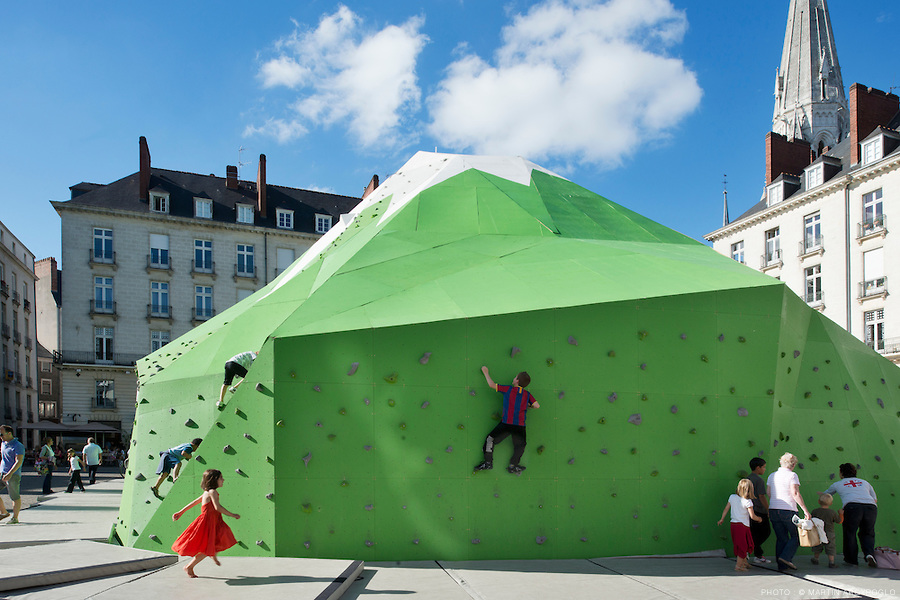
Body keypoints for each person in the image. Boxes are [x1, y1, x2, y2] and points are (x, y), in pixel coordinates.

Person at [172, 468, 240, 578]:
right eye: (221, 478)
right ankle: (190, 566)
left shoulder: (207, 492)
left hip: (214, 521)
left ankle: (212, 553)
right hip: (208, 522)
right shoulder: (212, 492)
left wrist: (181, 512)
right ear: (215, 480)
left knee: (221, 537)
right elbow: (217, 507)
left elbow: (194, 502)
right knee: (208, 546)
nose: (223, 480)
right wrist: (232, 514)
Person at [473, 366, 540, 475]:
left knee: (490, 439)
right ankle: (513, 466)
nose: (514, 378)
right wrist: (528, 406)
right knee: (520, 446)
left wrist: (486, 372)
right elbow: (537, 405)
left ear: (517, 381)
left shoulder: (508, 389)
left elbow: (491, 384)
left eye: (515, 377)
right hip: (520, 426)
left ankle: (488, 462)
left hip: (507, 424)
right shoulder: (527, 395)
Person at [823, 462, 878, 567]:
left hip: (852, 507)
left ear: (841, 473)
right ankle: (869, 554)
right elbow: (874, 499)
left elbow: (826, 495)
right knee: (868, 532)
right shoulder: (865, 482)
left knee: (850, 533)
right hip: (870, 507)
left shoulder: (838, 484)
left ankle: (851, 560)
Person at [766, 452, 810, 572]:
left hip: (774, 509)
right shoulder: (792, 475)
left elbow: (769, 493)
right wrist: (805, 510)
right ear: (794, 464)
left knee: (781, 538)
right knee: (796, 536)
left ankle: (782, 566)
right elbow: (795, 493)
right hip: (789, 510)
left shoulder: (772, 476)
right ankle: (786, 557)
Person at [717, 478, 763, 571]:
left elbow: (726, 509)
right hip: (743, 526)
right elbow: (752, 516)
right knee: (743, 546)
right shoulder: (748, 502)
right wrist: (759, 519)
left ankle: (744, 563)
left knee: (740, 544)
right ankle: (738, 566)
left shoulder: (732, 497)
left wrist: (722, 519)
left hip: (734, 524)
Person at [748, 457, 771, 564]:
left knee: (754, 533)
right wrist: (768, 509)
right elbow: (762, 496)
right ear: (758, 468)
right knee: (766, 532)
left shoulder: (747, 479)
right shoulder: (759, 480)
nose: (764, 469)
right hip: (759, 511)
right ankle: (750, 549)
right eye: (764, 467)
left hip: (749, 510)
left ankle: (757, 554)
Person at [0, 425, 25, 523]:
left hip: (13, 474)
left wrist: (10, 473)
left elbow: (19, 461)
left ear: (9, 433)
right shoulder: (3, 443)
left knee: (14, 496)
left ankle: (15, 518)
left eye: (1, 434)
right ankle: (4, 512)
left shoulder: (18, 445)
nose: (0, 436)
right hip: (2, 472)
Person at [811, 492, 842, 568]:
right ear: (831, 503)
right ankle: (831, 562)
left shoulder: (815, 511)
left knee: (817, 545)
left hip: (818, 532)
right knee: (830, 547)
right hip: (829, 532)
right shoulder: (832, 512)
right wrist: (841, 514)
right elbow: (839, 521)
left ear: (819, 501)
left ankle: (816, 558)